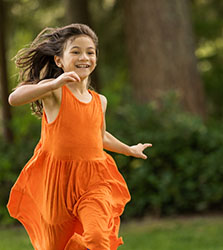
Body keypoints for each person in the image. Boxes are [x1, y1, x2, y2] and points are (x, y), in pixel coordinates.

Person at [7, 23, 152, 250]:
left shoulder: (99, 101)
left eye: (90, 52)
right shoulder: (54, 90)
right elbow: (15, 99)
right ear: (59, 61)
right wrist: (53, 83)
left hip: (95, 179)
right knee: (56, 245)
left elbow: (100, 136)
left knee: (97, 239)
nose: (84, 57)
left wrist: (129, 149)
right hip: (58, 182)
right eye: (75, 51)